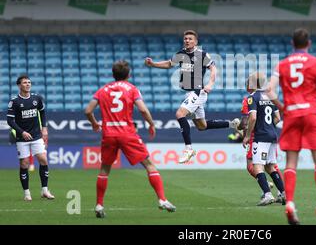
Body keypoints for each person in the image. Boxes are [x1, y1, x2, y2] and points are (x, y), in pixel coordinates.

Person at [267, 28, 316, 225]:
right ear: (308, 44)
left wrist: (282, 107)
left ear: (292, 44)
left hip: (292, 114)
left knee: (291, 162)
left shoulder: (283, 64)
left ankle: (291, 204)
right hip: (312, 114)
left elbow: (269, 90)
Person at [85, 60, 176, 218]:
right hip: (127, 132)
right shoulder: (132, 89)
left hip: (109, 133)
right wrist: (151, 124)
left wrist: (94, 123)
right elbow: (142, 109)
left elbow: (88, 110)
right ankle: (162, 200)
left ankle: (99, 205)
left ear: (113, 74)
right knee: (149, 165)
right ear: (128, 74)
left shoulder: (102, 90)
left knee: (104, 169)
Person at [145, 30, 239, 164]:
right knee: (202, 126)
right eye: (185, 39)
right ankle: (232, 123)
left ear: (195, 42)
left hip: (198, 91)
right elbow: (169, 64)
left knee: (180, 114)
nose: (187, 41)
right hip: (189, 93)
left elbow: (213, 68)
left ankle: (188, 149)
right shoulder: (181, 54)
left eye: (190, 39)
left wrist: (210, 83)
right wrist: (153, 64)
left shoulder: (202, 54)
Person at [7, 74, 54, 201]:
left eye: (29, 82)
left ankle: (45, 190)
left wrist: (44, 128)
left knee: (43, 159)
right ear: (19, 85)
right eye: (24, 82)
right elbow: (10, 121)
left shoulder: (36, 98)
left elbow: (42, 112)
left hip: (36, 135)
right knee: (25, 163)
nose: (27, 84)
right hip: (22, 138)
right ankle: (27, 193)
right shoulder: (14, 101)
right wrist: (21, 132)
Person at [241, 72, 285, 205]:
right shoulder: (270, 96)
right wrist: (268, 125)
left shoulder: (252, 97)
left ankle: (267, 194)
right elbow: (277, 118)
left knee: (258, 166)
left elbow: (253, 117)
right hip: (272, 135)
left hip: (260, 137)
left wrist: (247, 136)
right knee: (271, 166)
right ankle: (283, 193)